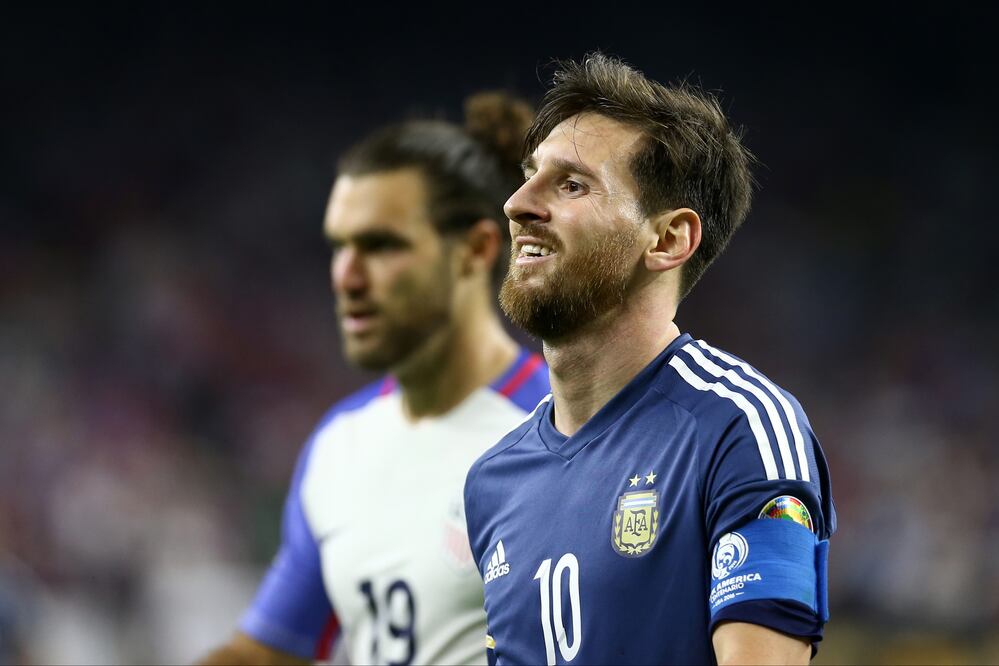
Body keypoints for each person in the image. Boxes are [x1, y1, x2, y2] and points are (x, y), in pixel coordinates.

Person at [463, 53, 835, 665]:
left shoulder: (739, 429)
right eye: (529, 175)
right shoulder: (492, 481)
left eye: (572, 184)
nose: (517, 203)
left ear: (666, 240)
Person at [199, 92, 550, 666]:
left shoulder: (561, 439)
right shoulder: (339, 445)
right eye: (340, 246)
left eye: (381, 245)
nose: (347, 276)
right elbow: (267, 653)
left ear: (476, 249)